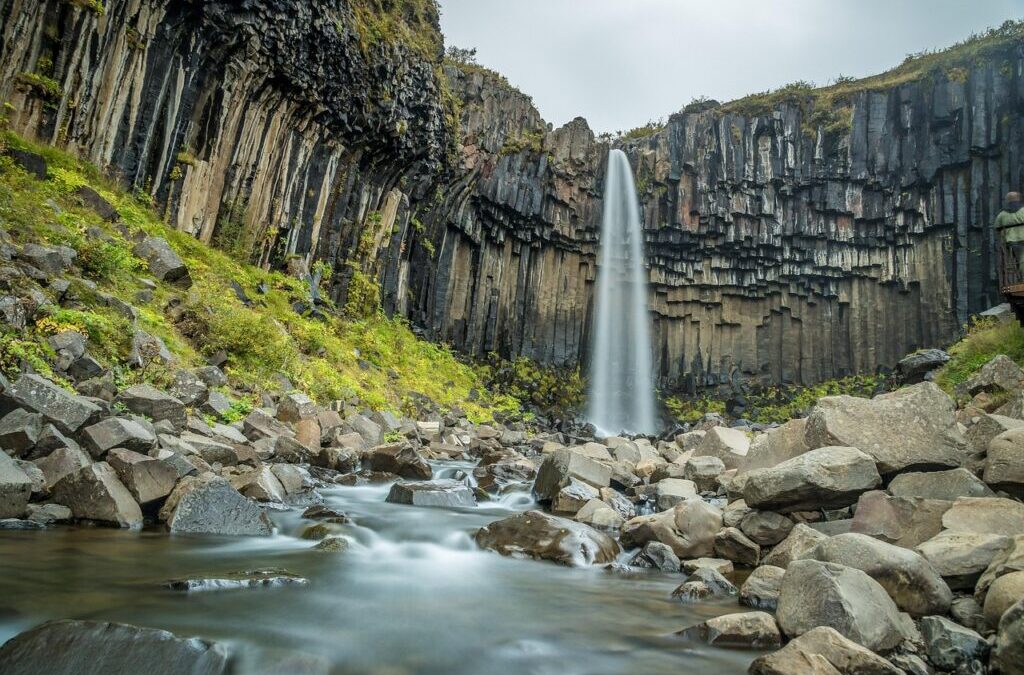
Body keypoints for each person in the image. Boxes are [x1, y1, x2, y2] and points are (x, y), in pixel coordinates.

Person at [995, 191, 1024, 286]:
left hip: (1009, 242)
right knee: (1022, 260)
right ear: (1019, 199)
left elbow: (997, 227)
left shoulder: (1002, 214)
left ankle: (1019, 279)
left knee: (1013, 262)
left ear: (1007, 200)